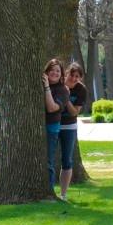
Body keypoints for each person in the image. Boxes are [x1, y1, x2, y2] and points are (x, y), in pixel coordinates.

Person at [41, 59, 72, 194]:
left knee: (48, 161)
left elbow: (52, 108)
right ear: (46, 72)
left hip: (51, 128)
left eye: (58, 71)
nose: (54, 73)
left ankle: (50, 191)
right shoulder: (40, 85)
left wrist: (47, 87)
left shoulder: (63, 90)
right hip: (38, 127)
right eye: (52, 70)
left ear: (61, 74)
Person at [61, 62, 88, 198]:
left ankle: (63, 194)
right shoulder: (58, 84)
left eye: (77, 76)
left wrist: (66, 98)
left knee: (67, 160)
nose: (74, 79)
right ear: (66, 74)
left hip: (69, 127)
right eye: (72, 75)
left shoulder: (81, 90)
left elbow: (74, 113)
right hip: (53, 125)